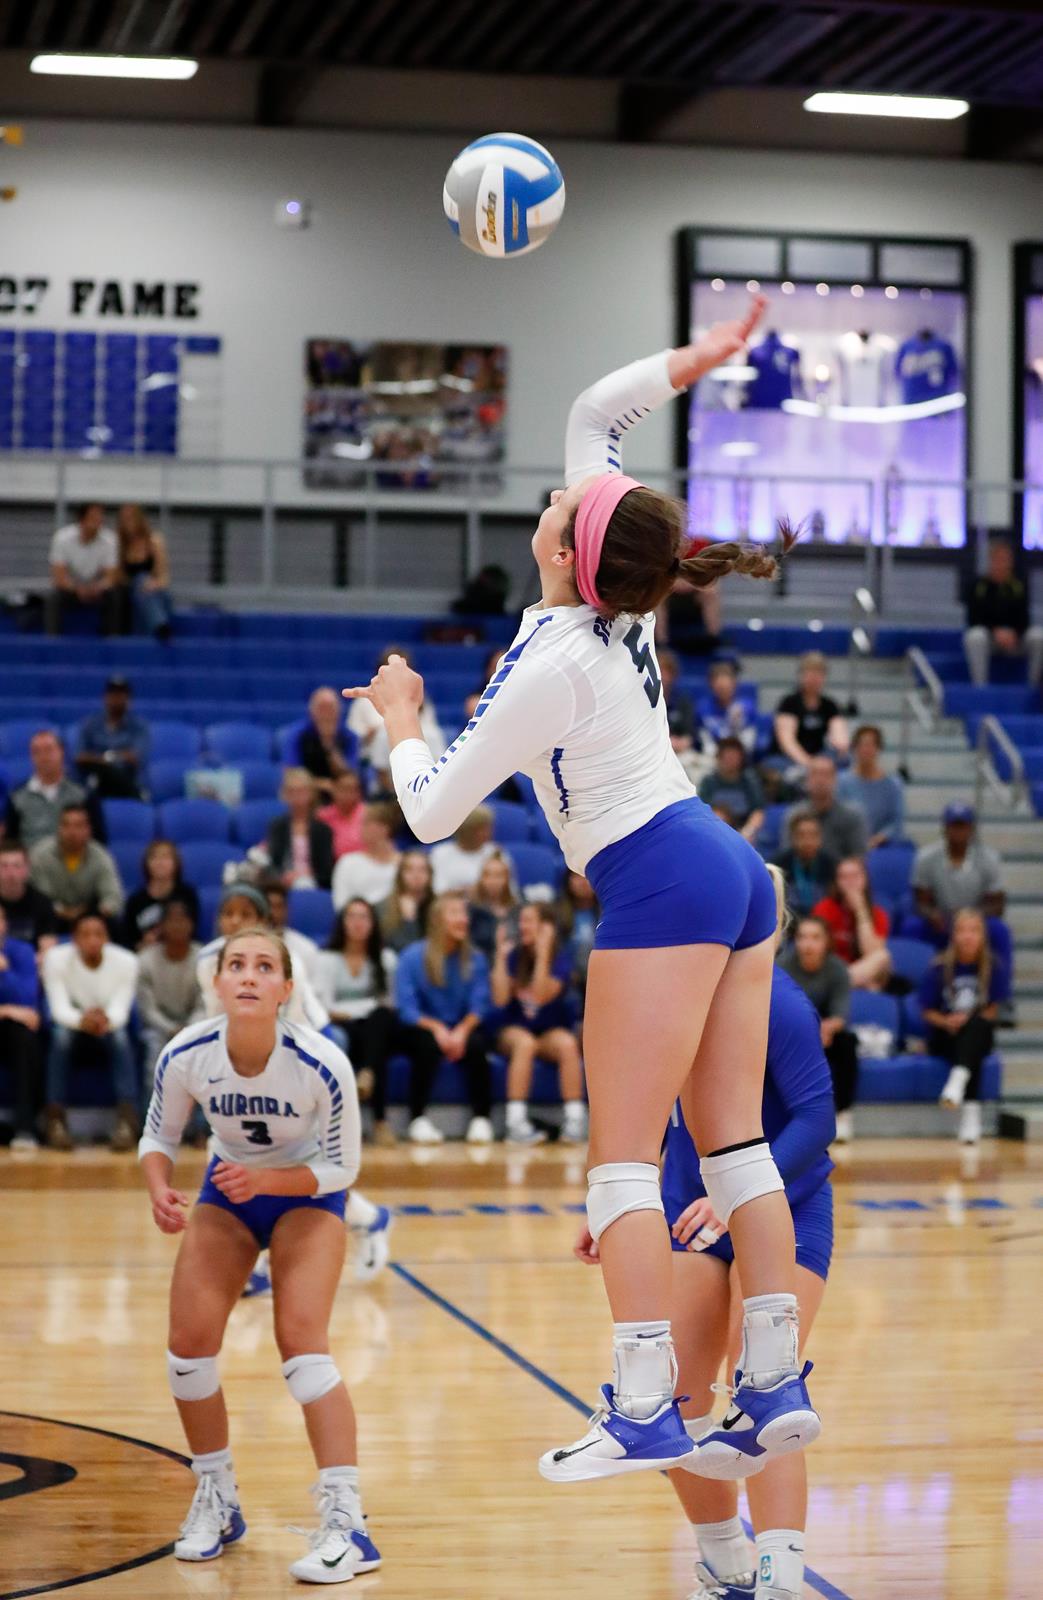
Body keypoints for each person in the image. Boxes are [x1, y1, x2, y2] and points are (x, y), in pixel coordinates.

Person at [347, 294, 820, 1481]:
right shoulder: (612, 599)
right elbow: (593, 415)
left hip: (658, 877)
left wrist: (402, 720)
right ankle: (769, 1388)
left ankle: (649, 1401)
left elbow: (429, 811)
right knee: (733, 1148)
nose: (555, 491)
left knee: (619, 1157)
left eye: (564, 500)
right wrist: (698, 360)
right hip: (727, 865)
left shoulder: (556, 661)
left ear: (569, 548)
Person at [575, 868, 834, 1600]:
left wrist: (733, 1200)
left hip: (783, 1210)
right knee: (675, 1399)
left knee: (768, 1392)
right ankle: (726, 1569)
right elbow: (645, 1114)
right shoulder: (669, 999)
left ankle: (778, 1576)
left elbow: (817, 1122)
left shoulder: (780, 1006)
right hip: (690, 1212)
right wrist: (614, 1208)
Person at [136, 927, 381, 1582]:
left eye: (263, 966)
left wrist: (268, 1182)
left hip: (305, 1196)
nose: (248, 975)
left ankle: (347, 1524)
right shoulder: (186, 1054)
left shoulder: (321, 1062)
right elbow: (156, 1135)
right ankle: (217, 1496)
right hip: (229, 1194)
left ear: (285, 990)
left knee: (302, 1346)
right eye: (235, 964)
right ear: (216, 983)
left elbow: (342, 1169)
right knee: (187, 1350)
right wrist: (160, 1189)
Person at [195, 884, 391, 1291]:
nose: (235, 921)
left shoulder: (286, 964)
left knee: (295, 1169)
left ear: (264, 922)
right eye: (228, 913)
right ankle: (361, 1221)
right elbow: (221, 1021)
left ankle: (359, 1223)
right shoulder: (207, 961)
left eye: (245, 913)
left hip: (301, 1061)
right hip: (244, 1065)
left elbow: (301, 1025)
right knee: (246, 1163)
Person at [394, 892, 495, 1146]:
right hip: (424, 1026)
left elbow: (480, 1005)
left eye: (464, 914)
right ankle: (417, 1119)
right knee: (425, 1044)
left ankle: (481, 1119)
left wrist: (461, 1031)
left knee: (477, 1044)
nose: (463, 920)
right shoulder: (411, 957)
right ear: (438, 920)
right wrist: (438, 1028)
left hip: (461, 1026)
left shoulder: (476, 959)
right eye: (455, 914)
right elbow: (407, 1010)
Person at [490, 903, 586, 1146]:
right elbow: (500, 999)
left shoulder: (560, 961)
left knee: (566, 1044)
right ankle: (516, 1123)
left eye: (529, 921)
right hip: (513, 1030)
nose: (522, 926)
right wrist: (500, 957)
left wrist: (543, 954)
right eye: (521, 921)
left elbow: (540, 995)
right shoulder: (514, 956)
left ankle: (575, 1120)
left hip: (546, 1031)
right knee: (525, 1043)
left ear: (547, 928)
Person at [42, 912, 139, 1152]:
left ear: (107, 937)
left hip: (107, 1026)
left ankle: (127, 1119)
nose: (92, 940)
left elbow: (121, 1009)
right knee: (60, 1038)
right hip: (73, 1024)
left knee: (120, 1038)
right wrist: (82, 1020)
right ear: (74, 939)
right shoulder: (55, 959)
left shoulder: (126, 961)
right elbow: (58, 1007)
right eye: (85, 934)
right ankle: (55, 1118)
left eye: (98, 934)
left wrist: (104, 1020)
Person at [919, 908, 1009, 1146]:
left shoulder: (993, 966)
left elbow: (992, 1010)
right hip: (944, 1035)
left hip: (974, 1031)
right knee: (972, 1046)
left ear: (982, 936)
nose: (968, 936)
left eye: (974, 931)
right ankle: (971, 1117)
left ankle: (958, 1079)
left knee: (977, 1029)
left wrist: (967, 1019)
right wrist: (947, 1021)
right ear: (953, 936)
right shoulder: (939, 966)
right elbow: (926, 1011)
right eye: (962, 931)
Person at [318, 899, 399, 1147]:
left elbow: (389, 1004)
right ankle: (379, 1121)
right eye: (352, 916)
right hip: (343, 1026)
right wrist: (357, 1012)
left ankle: (367, 1075)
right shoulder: (327, 959)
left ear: (373, 924)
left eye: (364, 917)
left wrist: (363, 1011)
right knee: (373, 1039)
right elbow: (324, 1006)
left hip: (375, 1026)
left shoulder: (385, 959)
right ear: (342, 923)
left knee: (379, 1023)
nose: (358, 923)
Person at [778, 917, 858, 1145]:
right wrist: (809, 1031)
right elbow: (778, 1011)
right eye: (802, 937)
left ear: (826, 942)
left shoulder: (838, 969)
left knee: (848, 1042)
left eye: (815, 938)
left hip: (827, 1035)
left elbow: (841, 1014)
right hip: (794, 1034)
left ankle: (843, 1114)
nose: (808, 944)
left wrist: (826, 1029)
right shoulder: (783, 966)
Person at [348, 649, 444, 790]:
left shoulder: (421, 700)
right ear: (381, 671)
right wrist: (370, 735)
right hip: (382, 775)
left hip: (421, 774)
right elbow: (353, 741)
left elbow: (431, 735)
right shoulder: (364, 700)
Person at [137, 898, 202, 1101]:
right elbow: (147, 1009)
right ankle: (151, 1124)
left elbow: (205, 1004)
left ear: (192, 925)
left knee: (206, 1050)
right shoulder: (145, 960)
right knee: (154, 1050)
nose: (177, 926)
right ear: (162, 926)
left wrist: (189, 1029)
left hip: (194, 1025)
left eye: (183, 921)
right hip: (157, 1027)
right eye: (172, 921)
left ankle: (201, 1127)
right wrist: (170, 1028)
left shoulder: (204, 959)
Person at [30, 803, 124, 931]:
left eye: (78, 826)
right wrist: (63, 911)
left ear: (88, 829)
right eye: (66, 825)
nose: (72, 832)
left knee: (113, 925)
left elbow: (113, 897)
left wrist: (92, 913)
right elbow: (39, 897)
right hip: (52, 917)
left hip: (90, 917)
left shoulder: (101, 856)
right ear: (58, 828)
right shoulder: (40, 854)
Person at [964, 537, 1043, 688]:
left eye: (1006, 560)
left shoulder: (1018, 586)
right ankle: (980, 687)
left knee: (1039, 636)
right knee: (974, 636)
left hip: (1015, 641)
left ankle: (1032, 686)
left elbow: (1024, 619)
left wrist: (1014, 633)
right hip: (990, 640)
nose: (1002, 564)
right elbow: (973, 619)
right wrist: (995, 631)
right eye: (998, 559)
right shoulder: (978, 586)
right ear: (991, 561)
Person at [813, 857, 892, 991]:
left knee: (882, 957)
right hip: (830, 969)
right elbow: (818, 951)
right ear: (837, 882)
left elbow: (871, 953)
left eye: (855, 875)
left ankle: (841, 987)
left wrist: (861, 911)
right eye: (844, 877)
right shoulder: (824, 908)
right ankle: (841, 986)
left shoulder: (878, 914)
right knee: (872, 987)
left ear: (865, 879)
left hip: (860, 972)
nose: (850, 882)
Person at [0, 903, 43, 1149]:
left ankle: (25, 1128)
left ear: (5, 924)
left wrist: (5, 972)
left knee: (25, 1038)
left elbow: (28, 1001)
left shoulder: (22, 951)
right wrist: (5, 1009)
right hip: (7, 1015)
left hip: (12, 1029)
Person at [3, 729, 88, 850]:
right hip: (30, 865)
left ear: (62, 751)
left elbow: (97, 840)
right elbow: (10, 843)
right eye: (37, 752)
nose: (44, 757)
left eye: (49, 750)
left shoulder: (82, 793)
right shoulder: (17, 795)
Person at [46, 501, 120, 636]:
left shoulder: (110, 540)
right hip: (71, 590)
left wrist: (97, 588)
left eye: (100, 517)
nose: (98, 521)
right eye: (93, 518)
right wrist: (77, 589)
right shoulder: (62, 538)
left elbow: (111, 577)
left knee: (115, 596)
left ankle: (111, 640)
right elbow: (59, 577)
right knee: (53, 598)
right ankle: (52, 640)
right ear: (82, 519)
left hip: (97, 590)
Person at [74, 676, 151, 800]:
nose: (117, 699)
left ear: (129, 699)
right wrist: (114, 759)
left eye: (121, 694)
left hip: (127, 780)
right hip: (97, 782)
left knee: (112, 773)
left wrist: (102, 759)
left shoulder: (139, 726)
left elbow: (135, 758)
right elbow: (80, 757)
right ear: (105, 697)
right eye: (113, 694)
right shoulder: (90, 724)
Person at [772, 652, 849, 773]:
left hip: (819, 756)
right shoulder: (789, 703)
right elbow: (787, 742)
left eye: (819, 674)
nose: (814, 678)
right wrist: (809, 764)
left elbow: (840, 736)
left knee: (845, 759)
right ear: (801, 675)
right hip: (789, 758)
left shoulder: (830, 705)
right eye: (810, 673)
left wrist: (840, 747)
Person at [784, 756, 867, 863]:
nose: (820, 780)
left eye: (826, 774)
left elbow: (859, 858)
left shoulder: (852, 816)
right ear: (807, 780)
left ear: (835, 780)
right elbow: (787, 856)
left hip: (840, 876)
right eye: (815, 774)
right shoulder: (794, 815)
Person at [121, 839, 201, 950]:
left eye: (166, 857)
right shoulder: (135, 900)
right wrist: (143, 944)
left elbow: (193, 934)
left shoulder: (187, 895)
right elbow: (128, 942)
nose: (160, 862)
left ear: (176, 863)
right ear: (146, 863)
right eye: (154, 857)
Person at [836, 724, 905, 849]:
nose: (866, 750)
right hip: (847, 846)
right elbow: (837, 816)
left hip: (882, 847)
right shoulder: (841, 781)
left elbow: (896, 822)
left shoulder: (894, 785)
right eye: (862, 745)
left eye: (871, 745)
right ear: (854, 748)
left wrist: (877, 840)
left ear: (879, 749)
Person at [265, 769, 334, 891]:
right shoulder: (277, 827)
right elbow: (272, 864)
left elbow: (326, 872)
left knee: (303, 884)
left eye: (301, 791)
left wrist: (306, 874)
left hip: (312, 884)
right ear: (285, 795)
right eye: (291, 792)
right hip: (283, 884)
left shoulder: (323, 830)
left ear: (311, 794)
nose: (296, 797)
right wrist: (283, 876)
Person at [116, 503, 174, 641]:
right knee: (139, 580)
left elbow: (164, 577)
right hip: (129, 592)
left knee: (146, 590)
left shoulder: (155, 542)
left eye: (131, 518)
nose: (128, 523)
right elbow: (119, 577)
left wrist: (153, 584)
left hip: (154, 591)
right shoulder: (119, 545)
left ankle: (158, 627)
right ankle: (160, 625)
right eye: (124, 519)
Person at [294, 688, 360, 800]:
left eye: (330, 708)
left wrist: (329, 745)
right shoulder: (298, 735)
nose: (326, 714)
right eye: (322, 708)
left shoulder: (350, 737)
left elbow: (350, 775)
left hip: (342, 796)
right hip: (308, 795)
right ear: (312, 711)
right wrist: (322, 784)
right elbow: (291, 775)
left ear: (339, 711)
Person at [331, 804, 400, 911]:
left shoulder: (404, 864)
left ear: (384, 828)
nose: (360, 829)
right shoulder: (347, 863)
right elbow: (341, 906)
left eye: (366, 823)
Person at [698, 737, 766, 843]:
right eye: (727, 756)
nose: (730, 760)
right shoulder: (709, 781)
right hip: (715, 828)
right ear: (719, 757)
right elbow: (703, 811)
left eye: (734, 756)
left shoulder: (749, 781)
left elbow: (758, 811)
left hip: (744, 830)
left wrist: (748, 831)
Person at [0, 839, 60, 955]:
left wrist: (27, 964)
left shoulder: (42, 903)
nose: (11, 873)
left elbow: (48, 947)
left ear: (27, 869)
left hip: (32, 965)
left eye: (17, 866)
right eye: (4, 866)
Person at [773, 814, 837, 918]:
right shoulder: (780, 864)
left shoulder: (830, 864)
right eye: (801, 835)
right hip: (790, 922)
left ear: (820, 837)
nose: (807, 841)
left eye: (813, 835)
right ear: (792, 838)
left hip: (823, 924)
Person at [659, 647, 705, 784]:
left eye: (665, 672)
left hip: (681, 753)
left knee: (696, 768)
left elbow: (692, 735)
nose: (662, 676)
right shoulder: (642, 701)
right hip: (654, 752)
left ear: (673, 675)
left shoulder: (683, 701)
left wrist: (684, 741)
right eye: (659, 670)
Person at [429, 805, 499, 895]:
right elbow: (436, 890)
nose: (488, 833)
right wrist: (465, 891)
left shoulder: (495, 852)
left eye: (488, 828)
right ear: (466, 830)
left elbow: (509, 892)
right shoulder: (440, 854)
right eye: (480, 829)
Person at [376, 850, 434, 953]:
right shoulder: (383, 908)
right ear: (400, 875)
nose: (416, 875)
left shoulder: (439, 906)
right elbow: (402, 950)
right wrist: (409, 921)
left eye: (422, 870)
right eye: (409, 870)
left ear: (430, 874)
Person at [553, 870, 599, 998]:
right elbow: (554, 951)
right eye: (577, 877)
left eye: (586, 877)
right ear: (568, 881)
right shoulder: (557, 913)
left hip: (600, 977)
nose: (583, 882)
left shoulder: (607, 911)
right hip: (567, 980)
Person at [467, 848, 520, 959]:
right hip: (481, 964)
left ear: (507, 878)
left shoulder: (519, 906)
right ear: (481, 879)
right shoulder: (471, 909)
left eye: (498, 875)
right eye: (487, 875)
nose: (493, 881)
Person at [700, 660, 757, 756]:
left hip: (740, 759)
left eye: (726, 687)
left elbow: (748, 744)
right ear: (711, 686)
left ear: (734, 684)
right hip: (713, 757)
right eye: (719, 687)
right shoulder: (703, 709)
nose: (723, 691)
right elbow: (706, 744)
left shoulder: (746, 708)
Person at [316, 769, 366, 860]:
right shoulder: (322, 816)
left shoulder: (368, 815)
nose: (348, 794)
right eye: (344, 789)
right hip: (333, 867)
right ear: (334, 790)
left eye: (352, 789)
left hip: (364, 866)